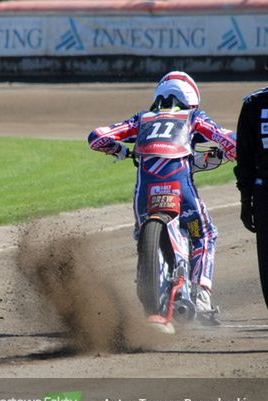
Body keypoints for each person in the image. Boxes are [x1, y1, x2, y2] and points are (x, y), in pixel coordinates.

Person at [87, 71, 236, 325]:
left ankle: (152, 280)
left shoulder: (141, 119)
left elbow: (97, 137)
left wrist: (121, 150)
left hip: (145, 195)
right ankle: (201, 297)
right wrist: (227, 154)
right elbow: (231, 141)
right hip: (182, 192)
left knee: (140, 233)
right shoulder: (193, 117)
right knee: (204, 234)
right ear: (190, 98)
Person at [234, 86, 268, 309]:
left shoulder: (253, 103)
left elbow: (244, 158)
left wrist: (246, 201)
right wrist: (246, 201)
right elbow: (244, 157)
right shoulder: (252, 104)